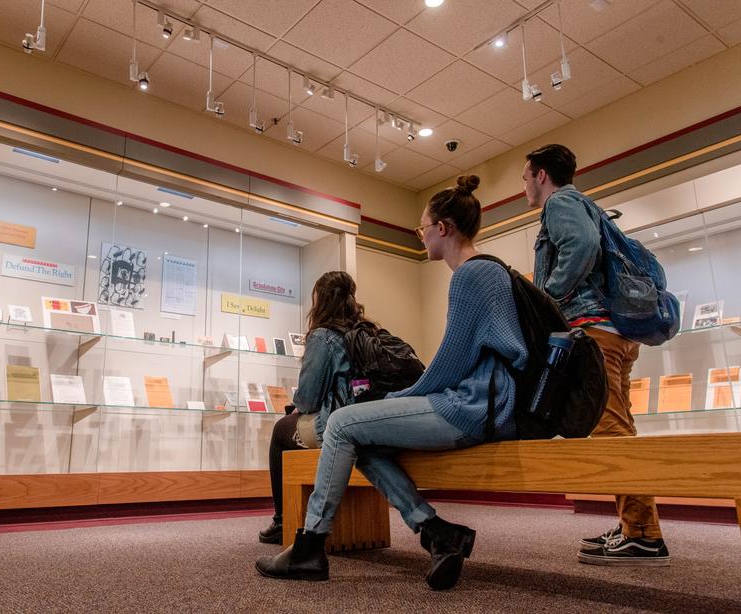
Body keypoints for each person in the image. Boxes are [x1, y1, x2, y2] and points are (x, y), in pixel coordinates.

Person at [255, 175, 528, 590]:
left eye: (422, 228)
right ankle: (436, 532)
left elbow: (448, 368)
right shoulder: (486, 272)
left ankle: (310, 547)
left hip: (472, 407)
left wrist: (398, 399)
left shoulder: (470, 276)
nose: (420, 236)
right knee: (355, 432)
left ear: (444, 229)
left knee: (344, 422)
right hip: (486, 402)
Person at [523, 143, 670, 566]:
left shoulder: (561, 203)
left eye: (525, 177)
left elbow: (582, 246)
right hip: (616, 333)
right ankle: (634, 524)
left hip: (595, 332)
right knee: (620, 426)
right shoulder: (584, 203)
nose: (524, 187)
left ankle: (642, 535)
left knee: (611, 431)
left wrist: (548, 299)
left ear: (542, 175)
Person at [258, 271, 362, 544]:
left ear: (320, 300)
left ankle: (281, 520)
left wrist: (296, 407)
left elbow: (308, 399)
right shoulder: (363, 330)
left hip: (334, 424)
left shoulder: (323, 336)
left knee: (281, 430)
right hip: (364, 419)